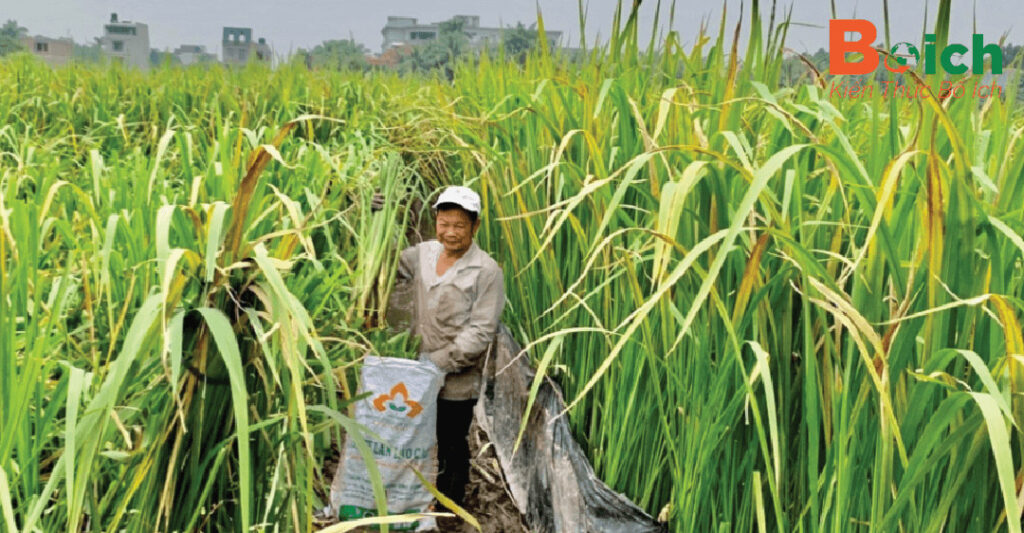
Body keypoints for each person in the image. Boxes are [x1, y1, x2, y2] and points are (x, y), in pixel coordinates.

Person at [394, 185, 505, 506]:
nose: (450, 232)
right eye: (444, 223)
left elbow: (481, 332)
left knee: (451, 441)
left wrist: (439, 361)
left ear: (475, 226)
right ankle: (411, 497)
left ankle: (449, 507)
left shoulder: (487, 271)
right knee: (414, 435)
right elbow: (388, 264)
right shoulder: (424, 254)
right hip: (416, 370)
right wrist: (382, 220)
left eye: (459, 225)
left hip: (456, 381)